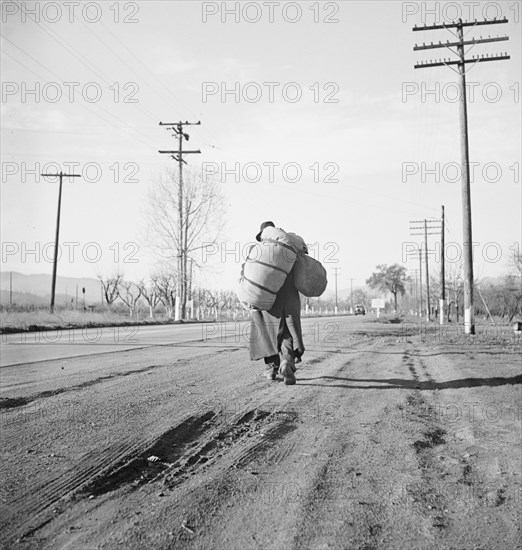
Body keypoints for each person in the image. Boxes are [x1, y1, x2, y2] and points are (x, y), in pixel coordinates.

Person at [249, 221, 306, 385]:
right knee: (287, 334)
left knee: (267, 333)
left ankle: (271, 370)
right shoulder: (290, 250)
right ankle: (287, 362)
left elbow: (249, 275)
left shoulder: (258, 251)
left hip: (268, 299)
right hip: (289, 299)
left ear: (262, 236)